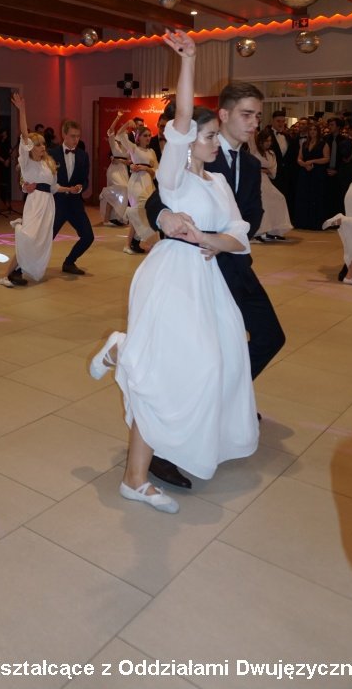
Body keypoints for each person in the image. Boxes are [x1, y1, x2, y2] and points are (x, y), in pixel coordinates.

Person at [89, 31, 259, 513]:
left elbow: (238, 235)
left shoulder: (219, 183)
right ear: (187, 143)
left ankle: (125, 353)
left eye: (213, 136)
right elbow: (183, 118)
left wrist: (209, 239)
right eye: (208, 136)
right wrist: (188, 61)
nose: (215, 142)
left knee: (209, 368)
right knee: (173, 371)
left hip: (206, 279)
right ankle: (135, 476)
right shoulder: (173, 176)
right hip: (171, 275)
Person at [145, 77, 285, 489]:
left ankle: (224, 401)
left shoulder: (250, 164)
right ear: (223, 115)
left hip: (233, 262)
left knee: (268, 337)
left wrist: (227, 239)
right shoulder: (199, 149)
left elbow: (250, 217)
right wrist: (165, 218)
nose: (254, 123)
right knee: (195, 358)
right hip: (195, 268)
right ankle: (165, 447)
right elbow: (159, 198)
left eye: (258, 115)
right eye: (247, 114)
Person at [0, 94, 77, 287]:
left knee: (38, 241)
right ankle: (5, 276)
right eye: (38, 144)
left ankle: (18, 271)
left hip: (48, 205)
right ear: (30, 148)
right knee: (29, 239)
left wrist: (69, 189)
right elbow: (25, 135)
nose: (42, 147)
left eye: (43, 144)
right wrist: (22, 111)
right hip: (34, 204)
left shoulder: (48, 163)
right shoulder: (27, 162)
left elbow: (53, 187)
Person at [48, 119, 94, 275]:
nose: (76, 139)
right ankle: (21, 268)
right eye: (73, 136)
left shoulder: (83, 155)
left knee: (88, 236)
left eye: (78, 136)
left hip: (75, 204)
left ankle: (69, 262)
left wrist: (80, 187)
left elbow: (85, 180)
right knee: (45, 239)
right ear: (64, 135)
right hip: (57, 204)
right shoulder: (51, 154)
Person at [116, 119, 158, 255]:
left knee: (142, 212)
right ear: (138, 137)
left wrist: (147, 169)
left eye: (149, 135)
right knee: (138, 210)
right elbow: (119, 134)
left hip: (148, 184)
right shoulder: (134, 148)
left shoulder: (152, 152)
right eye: (145, 135)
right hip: (136, 184)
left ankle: (131, 243)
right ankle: (134, 241)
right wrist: (127, 123)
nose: (148, 138)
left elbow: (157, 170)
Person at [250, 127, 292, 242]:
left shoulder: (271, 153)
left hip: (266, 180)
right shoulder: (254, 151)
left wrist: (265, 170)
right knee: (263, 203)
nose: (268, 143)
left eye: (270, 141)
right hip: (255, 180)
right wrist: (261, 170)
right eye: (266, 141)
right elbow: (250, 166)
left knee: (279, 198)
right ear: (260, 141)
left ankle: (274, 230)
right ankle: (258, 231)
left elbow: (272, 170)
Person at [294, 122, 330, 230]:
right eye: (311, 130)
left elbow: (326, 158)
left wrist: (312, 161)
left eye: (315, 129)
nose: (312, 132)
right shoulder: (304, 144)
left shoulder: (323, 144)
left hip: (317, 174)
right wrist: (304, 164)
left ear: (318, 131)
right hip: (305, 173)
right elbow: (299, 158)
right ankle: (303, 222)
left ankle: (315, 223)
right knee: (304, 197)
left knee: (316, 197)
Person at [99, 111, 129, 226]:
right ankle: (104, 192)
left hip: (123, 170)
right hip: (114, 170)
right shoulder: (114, 144)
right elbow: (111, 129)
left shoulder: (127, 148)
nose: (124, 135)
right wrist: (118, 117)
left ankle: (110, 219)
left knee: (118, 194)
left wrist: (121, 161)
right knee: (121, 187)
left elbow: (129, 161)